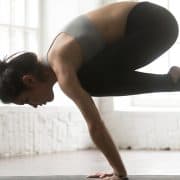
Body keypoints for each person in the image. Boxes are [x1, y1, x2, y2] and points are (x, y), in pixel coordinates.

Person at [0, 1, 179, 179]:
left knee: (87, 82)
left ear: (29, 80)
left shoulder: (62, 65)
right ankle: (172, 81)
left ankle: (172, 82)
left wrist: (119, 174)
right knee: (87, 78)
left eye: (26, 100)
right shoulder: (58, 56)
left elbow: (95, 125)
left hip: (155, 25)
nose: (33, 106)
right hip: (154, 22)